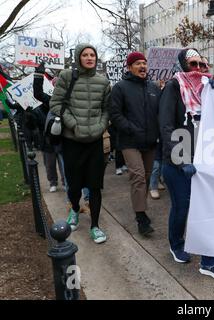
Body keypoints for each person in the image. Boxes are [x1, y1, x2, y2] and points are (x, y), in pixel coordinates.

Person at [159, 48, 214, 281]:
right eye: (192, 64)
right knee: (182, 208)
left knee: (208, 209)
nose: (198, 69)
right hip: (180, 162)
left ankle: (209, 261)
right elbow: (166, 125)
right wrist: (181, 159)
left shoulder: (210, 88)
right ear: (182, 65)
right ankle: (176, 243)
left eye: (201, 64)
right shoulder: (173, 87)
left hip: (207, 160)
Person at [50, 43, 110, 244]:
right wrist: (73, 124)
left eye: (92, 54)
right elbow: (56, 104)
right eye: (85, 54)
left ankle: (95, 225)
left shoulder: (103, 81)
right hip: (72, 141)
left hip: (94, 141)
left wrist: (100, 126)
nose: (89, 57)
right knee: (74, 184)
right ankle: (74, 210)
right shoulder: (67, 77)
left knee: (95, 186)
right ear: (78, 57)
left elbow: (106, 109)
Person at [109, 51, 160, 237]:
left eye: (144, 63)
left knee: (146, 177)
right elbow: (114, 114)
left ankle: (141, 208)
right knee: (138, 176)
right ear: (129, 67)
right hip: (129, 141)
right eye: (138, 63)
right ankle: (141, 217)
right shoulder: (120, 88)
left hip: (150, 142)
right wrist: (130, 128)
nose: (142, 66)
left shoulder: (154, 88)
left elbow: (160, 113)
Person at [33, 62, 65, 193]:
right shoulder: (50, 100)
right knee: (50, 164)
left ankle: (65, 181)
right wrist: (38, 75)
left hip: (64, 139)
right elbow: (38, 94)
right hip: (49, 140)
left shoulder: (70, 100)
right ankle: (53, 182)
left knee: (65, 165)